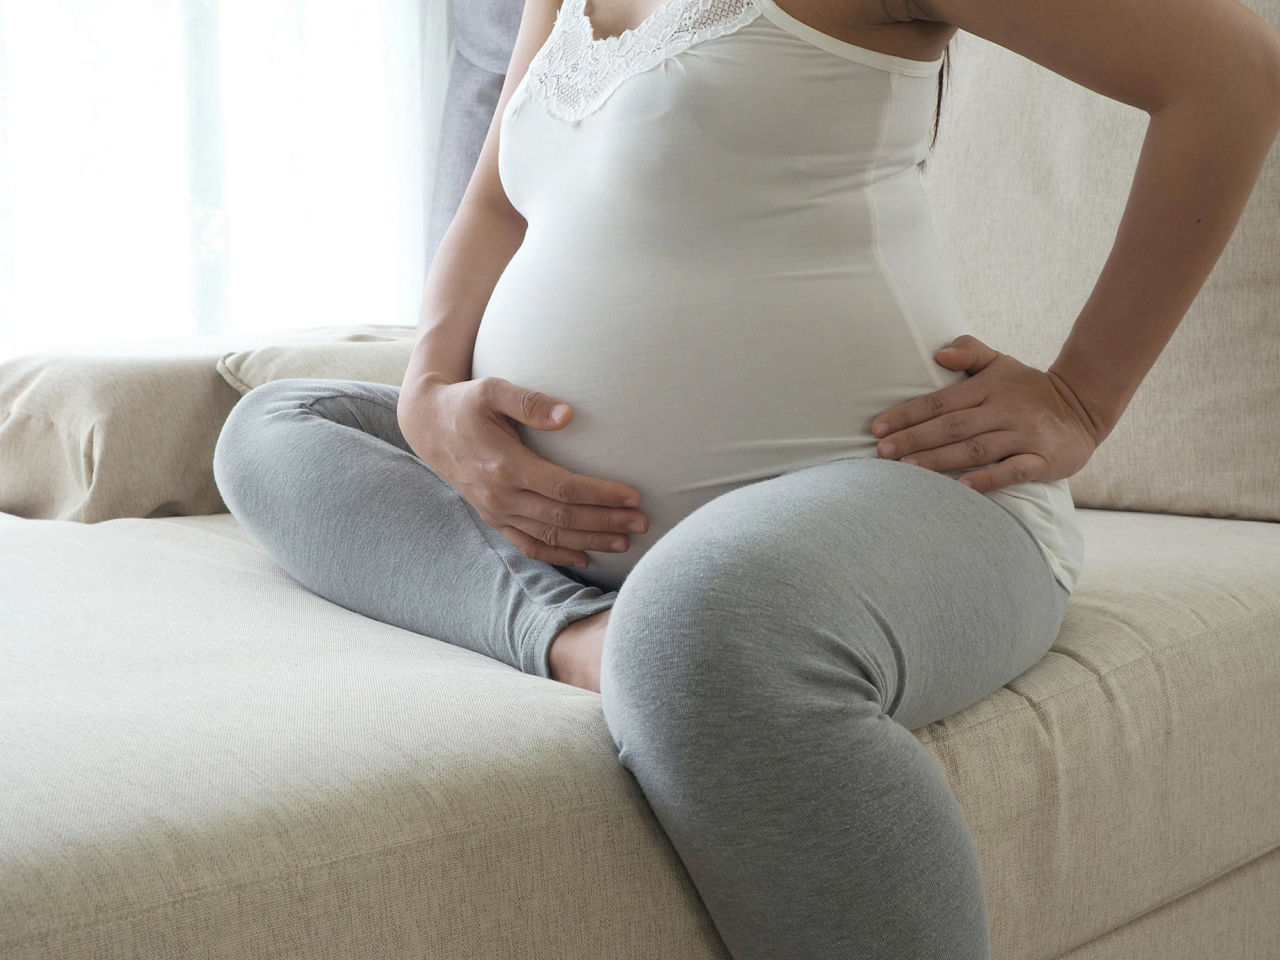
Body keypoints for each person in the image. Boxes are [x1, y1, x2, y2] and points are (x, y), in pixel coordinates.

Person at [212, 0, 1280, 955]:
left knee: (707, 628)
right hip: (592, 550)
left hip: (898, 506)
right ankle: (577, 637)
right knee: (277, 425)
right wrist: (430, 395)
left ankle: (655, 631)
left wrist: (1083, 393)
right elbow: (500, 202)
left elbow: (1231, 69)